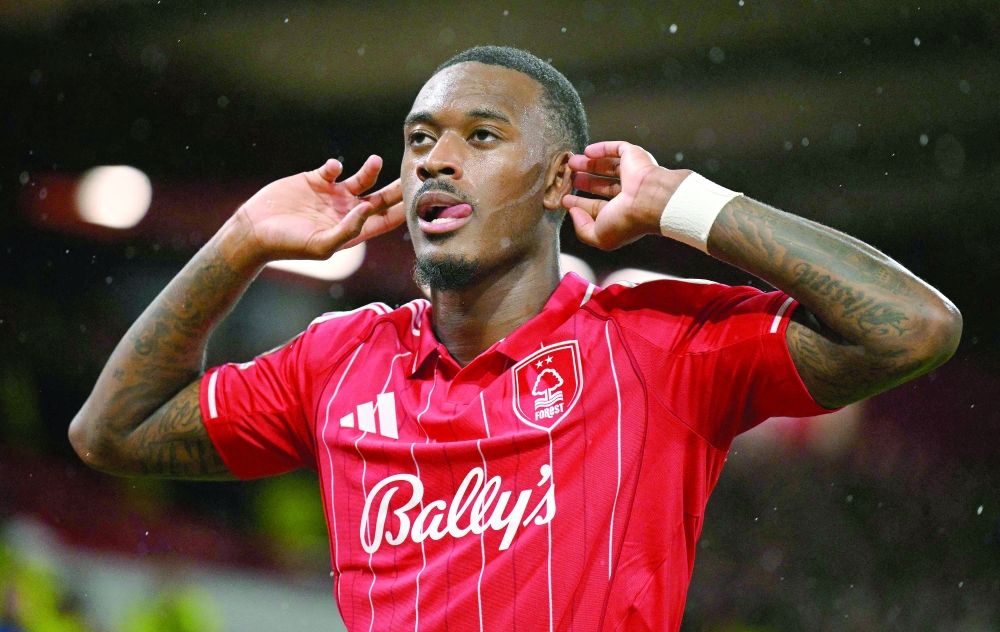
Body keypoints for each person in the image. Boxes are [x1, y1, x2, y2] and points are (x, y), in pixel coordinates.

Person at [69, 46, 961, 631]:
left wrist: (684, 206)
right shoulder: (340, 361)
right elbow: (111, 431)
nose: (435, 160)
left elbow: (914, 330)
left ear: (554, 184)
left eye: (481, 136)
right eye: (420, 140)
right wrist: (240, 243)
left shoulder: (653, 347)